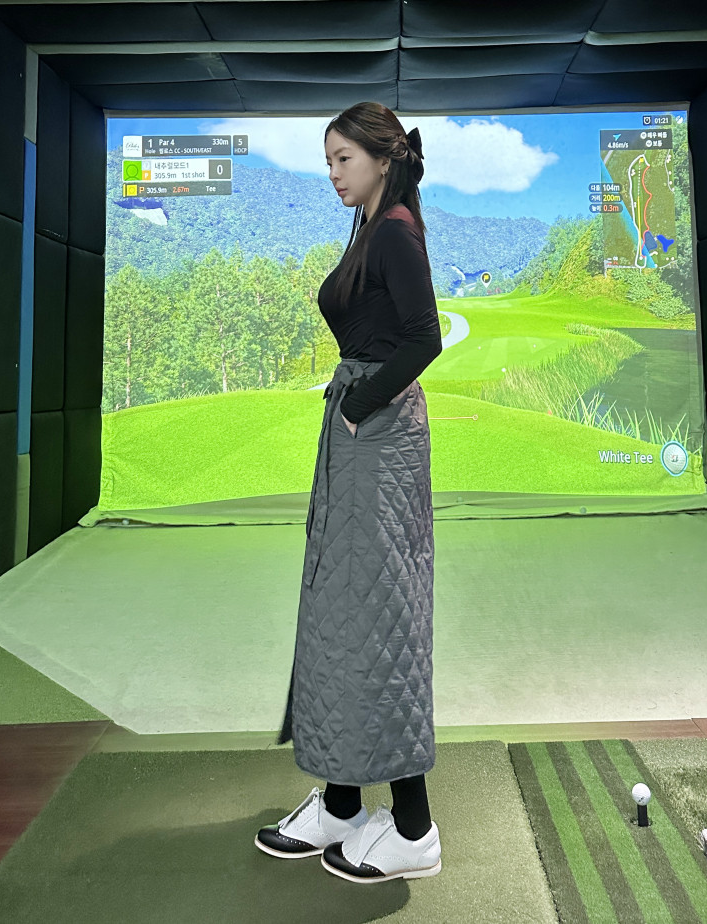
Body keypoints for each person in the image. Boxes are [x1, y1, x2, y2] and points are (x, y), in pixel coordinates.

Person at [255, 102, 443, 883]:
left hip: (378, 435)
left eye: (343, 158)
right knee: (346, 611)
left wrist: (360, 404)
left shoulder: (393, 229)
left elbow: (424, 336)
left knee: (376, 614)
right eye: (328, 160)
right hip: (361, 432)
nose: (332, 172)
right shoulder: (369, 226)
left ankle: (414, 828)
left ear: (381, 158)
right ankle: (340, 803)